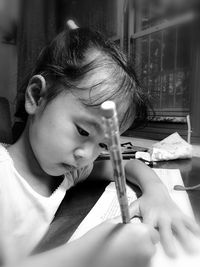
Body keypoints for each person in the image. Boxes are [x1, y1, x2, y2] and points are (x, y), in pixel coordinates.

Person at [0, 21, 199, 266]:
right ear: (37, 96)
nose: (87, 156)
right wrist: (92, 254)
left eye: (103, 145)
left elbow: (127, 167)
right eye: (83, 131)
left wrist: (157, 193)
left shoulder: (67, 172)